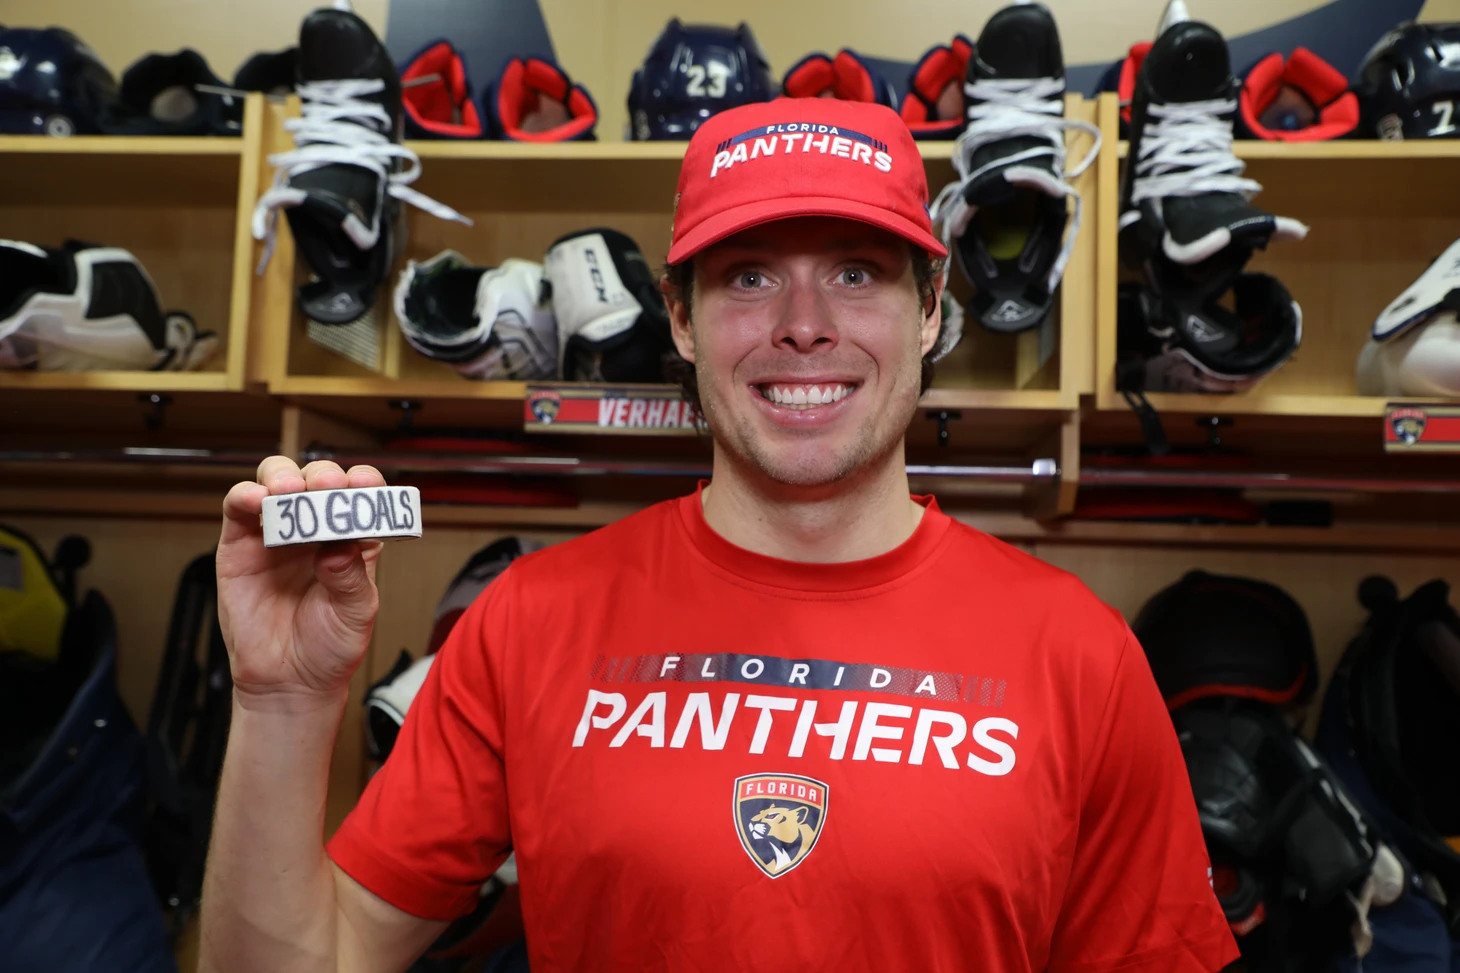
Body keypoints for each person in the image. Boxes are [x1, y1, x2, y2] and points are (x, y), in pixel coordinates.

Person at [201, 98, 1238, 972]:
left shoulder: (1080, 657)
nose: (800, 322)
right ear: (681, 319)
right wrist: (283, 701)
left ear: (929, 311)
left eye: (855, 272)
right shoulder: (534, 618)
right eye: (745, 275)